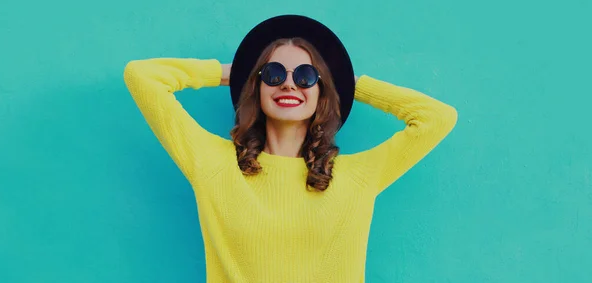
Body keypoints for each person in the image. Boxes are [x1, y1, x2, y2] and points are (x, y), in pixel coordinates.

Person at [123, 15, 457, 282]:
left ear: (322, 90)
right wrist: (232, 72)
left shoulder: (357, 176)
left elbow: (437, 118)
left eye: (307, 76)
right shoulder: (214, 163)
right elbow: (142, 77)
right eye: (273, 73)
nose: (288, 83)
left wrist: (349, 84)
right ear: (258, 85)